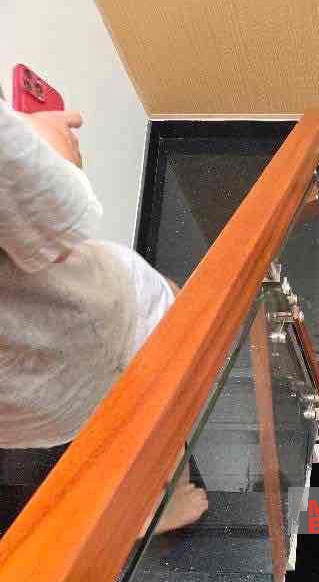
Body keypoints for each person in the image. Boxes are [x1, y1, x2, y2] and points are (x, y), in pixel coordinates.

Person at [0, 99, 207, 533]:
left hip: (21, 403)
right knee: (171, 390)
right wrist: (47, 139)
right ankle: (154, 510)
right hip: (87, 329)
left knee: (107, 422)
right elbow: (54, 220)